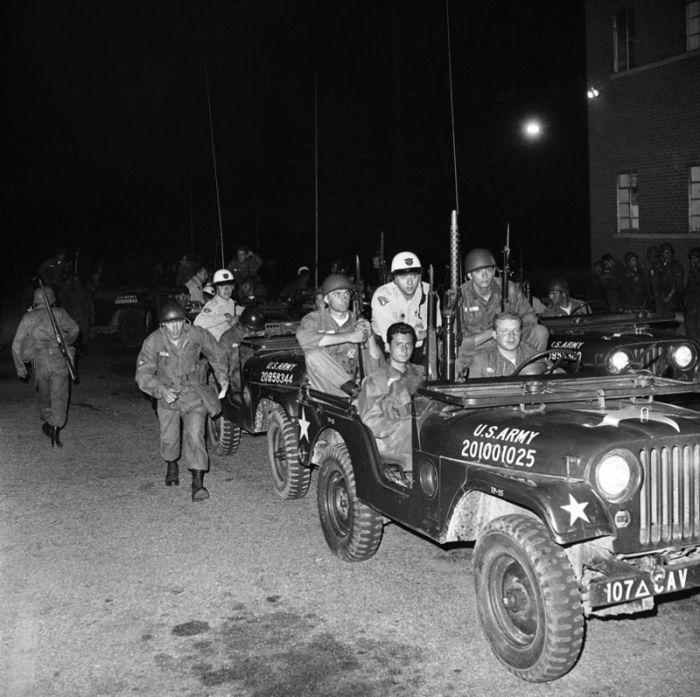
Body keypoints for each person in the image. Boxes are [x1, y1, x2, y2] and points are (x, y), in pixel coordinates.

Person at [135, 301, 228, 501]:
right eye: (170, 324)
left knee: (195, 435)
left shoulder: (196, 334)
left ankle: (197, 481)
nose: (175, 328)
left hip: (194, 392)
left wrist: (222, 377)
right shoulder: (154, 341)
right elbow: (142, 374)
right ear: (162, 325)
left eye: (178, 322)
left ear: (185, 321)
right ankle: (171, 464)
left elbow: (217, 353)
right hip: (167, 394)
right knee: (169, 437)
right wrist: (160, 390)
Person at [455, 248, 548, 375]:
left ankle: (532, 371)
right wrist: (492, 333)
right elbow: (456, 339)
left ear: (494, 271)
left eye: (489, 270)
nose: (485, 276)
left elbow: (529, 318)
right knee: (454, 357)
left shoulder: (509, 288)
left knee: (540, 332)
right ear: (470, 275)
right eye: (478, 272)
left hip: (509, 339)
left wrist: (512, 326)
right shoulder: (460, 296)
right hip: (477, 347)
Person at [11, 286, 79, 447]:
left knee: (44, 395)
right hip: (59, 360)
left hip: (40, 362)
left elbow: (16, 344)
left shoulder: (28, 318)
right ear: (52, 299)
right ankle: (55, 429)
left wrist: (20, 367)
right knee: (60, 396)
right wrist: (66, 341)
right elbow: (75, 329)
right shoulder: (59, 313)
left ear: (35, 302)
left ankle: (48, 421)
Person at [296, 273, 382, 397]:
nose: (344, 298)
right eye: (337, 294)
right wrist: (349, 337)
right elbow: (303, 339)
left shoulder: (357, 322)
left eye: (346, 294)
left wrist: (369, 336)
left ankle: (356, 392)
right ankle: (353, 391)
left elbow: (376, 365)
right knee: (312, 353)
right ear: (326, 299)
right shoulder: (314, 320)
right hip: (325, 388)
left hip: (353, 386)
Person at [357, 322, 424, 478]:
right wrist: (401, 423)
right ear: (388, 346)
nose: (404, 349)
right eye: (398, 344)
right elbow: (370, 420)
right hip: (390, 442)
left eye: (408, 344)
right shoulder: (376, 380)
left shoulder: (422, 373)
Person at [371, 251, 441, 365]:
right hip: (390, 350)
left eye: (414, 276)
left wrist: (426, 333)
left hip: (419, 349)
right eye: (403, 276)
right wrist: (421, 332)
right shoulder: (383, 296)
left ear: (420, 276)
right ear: (395, 278)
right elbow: (394, 337)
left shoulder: (429, 292)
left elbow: (436, 329)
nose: (410, 282)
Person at [468, 312, 539, 378]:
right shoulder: (481, 361)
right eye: (504, 331)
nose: (511, 336)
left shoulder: (534, 357)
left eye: (516, 330)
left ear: (520, 333)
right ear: (495, 335)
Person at [193, 268, 238, 341]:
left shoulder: (231, 302)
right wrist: (223, 317)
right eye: (222, 286)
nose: (226, 289)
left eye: (229, 285)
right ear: (216, 288)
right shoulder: (213, 304)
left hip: (229, 342)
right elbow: (198, 323)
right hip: (216, 345)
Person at [656, 242, 684, 313]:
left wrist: (670, 295)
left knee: (670, 317)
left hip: (672, 297)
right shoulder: (661, 265)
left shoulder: (676, 266)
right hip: (662, 295)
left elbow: (677, 283)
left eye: (668, 252)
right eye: (664, 252)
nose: (666, 254)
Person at [684, 248, 700, 341]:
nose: (692, 261)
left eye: (695, 258)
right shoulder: (692, 271)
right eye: (691, 258)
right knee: (691, 333)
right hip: (691, 306)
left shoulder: (695, 271)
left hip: (697, 306)